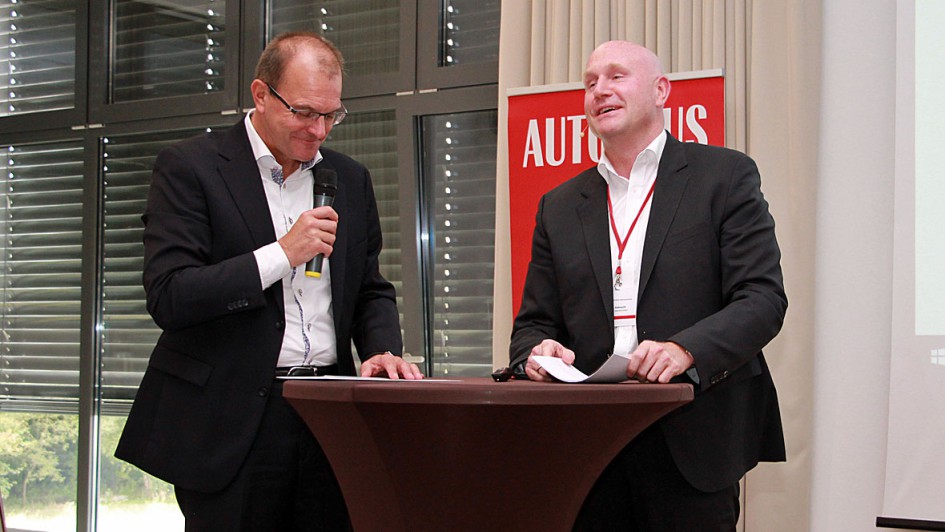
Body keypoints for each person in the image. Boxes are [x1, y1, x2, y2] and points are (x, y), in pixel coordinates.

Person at [115, 31, 422, 531]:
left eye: (331, 115)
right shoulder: (191, 167)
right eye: (304, 112)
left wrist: (382, 349)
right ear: (261, 94)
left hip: (329, 415)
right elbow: (171, 294)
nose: (318, 130)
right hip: (231, 423)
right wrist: (281, 254)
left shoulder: (349, 178)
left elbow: (369, 287)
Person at [509, 40, 787, 531]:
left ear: (661, 91)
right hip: (590, 448)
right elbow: (532, 325)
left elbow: (762, 299)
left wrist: (686, 349)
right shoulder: (560, 205)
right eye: (590, 82)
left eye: (616, 76)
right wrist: (537, 352)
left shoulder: (723, 176)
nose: (599, 90)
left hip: (692, 437)